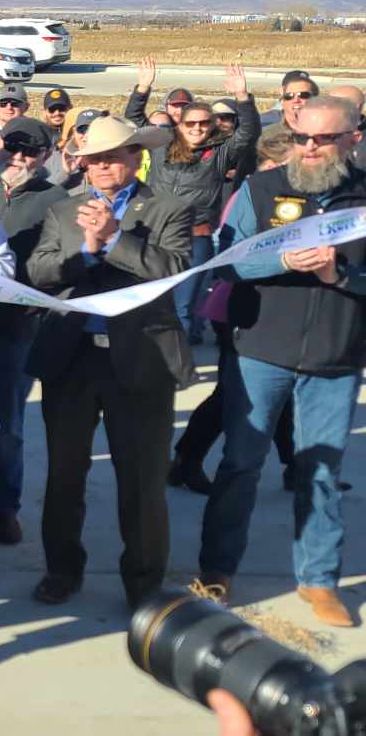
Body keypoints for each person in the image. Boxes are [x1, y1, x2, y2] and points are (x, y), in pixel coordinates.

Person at [198, 96, 366, 628]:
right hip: (260, 350)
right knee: (240, 464)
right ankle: (217, 570)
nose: (310, 148)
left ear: (352, 140)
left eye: (323, 139)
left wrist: (337, 276)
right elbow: (228, 259)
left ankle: (318, 580)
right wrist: (282, 260)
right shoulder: (261, 188)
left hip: (335, 357)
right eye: (301, 138)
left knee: (319, 470)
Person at [26, 116, 192, 610]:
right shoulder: (62, 211)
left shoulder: (167, 209)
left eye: (111, 157)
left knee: (141, 483)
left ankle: (143, 586)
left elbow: (176, 270)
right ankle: (61, 569)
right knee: (64, 476)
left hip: (141, 361)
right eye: (93, 159)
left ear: (136, 157)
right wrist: (87, 251)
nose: (100, 167)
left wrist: (118, 240)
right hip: (72, 362)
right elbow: (39, 271)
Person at [170, 129, 303, 495]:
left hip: (273, 309)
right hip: (235, 307)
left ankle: (296, 466)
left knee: (278, 394)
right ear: (272, 164)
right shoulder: (255, 194)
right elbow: (229, 253)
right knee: (232, 395)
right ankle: (186, 458)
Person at [0, 117, 70, 544]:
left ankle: (5, 508)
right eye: (12, 146)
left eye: (31, 151)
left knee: (6, 425)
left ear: (47, 155)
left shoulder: (57, 200)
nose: (19, 157)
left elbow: (60, 265)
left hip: (16, 330)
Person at [150, 66, 260, 344]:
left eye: (203, 123)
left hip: (195, 237)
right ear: (179, 125)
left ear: (211, 125)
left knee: (183, 306)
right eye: (190, 123)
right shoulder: (161, 147)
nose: (197, 128)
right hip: (156, 236)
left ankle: (179, 369)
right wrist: (142, 90)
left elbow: (248, 134)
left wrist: (242, 96)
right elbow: (133, 120)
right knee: (152, 304)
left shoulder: (219, 154)